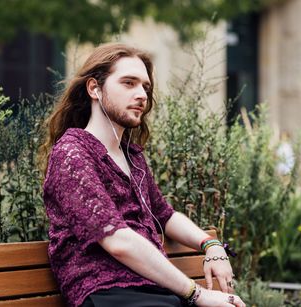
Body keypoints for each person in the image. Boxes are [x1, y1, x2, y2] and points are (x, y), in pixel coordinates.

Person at [40, 43, 245, 307]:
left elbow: (165, 215)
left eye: (145, 87)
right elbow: (117, 240)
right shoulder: (72, 153)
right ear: (94, 88)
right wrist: (198, 294)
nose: (142, 95)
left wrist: (211, 244)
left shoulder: (132, 157)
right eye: (129, 83)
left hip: (155, 292)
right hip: (107, 293)